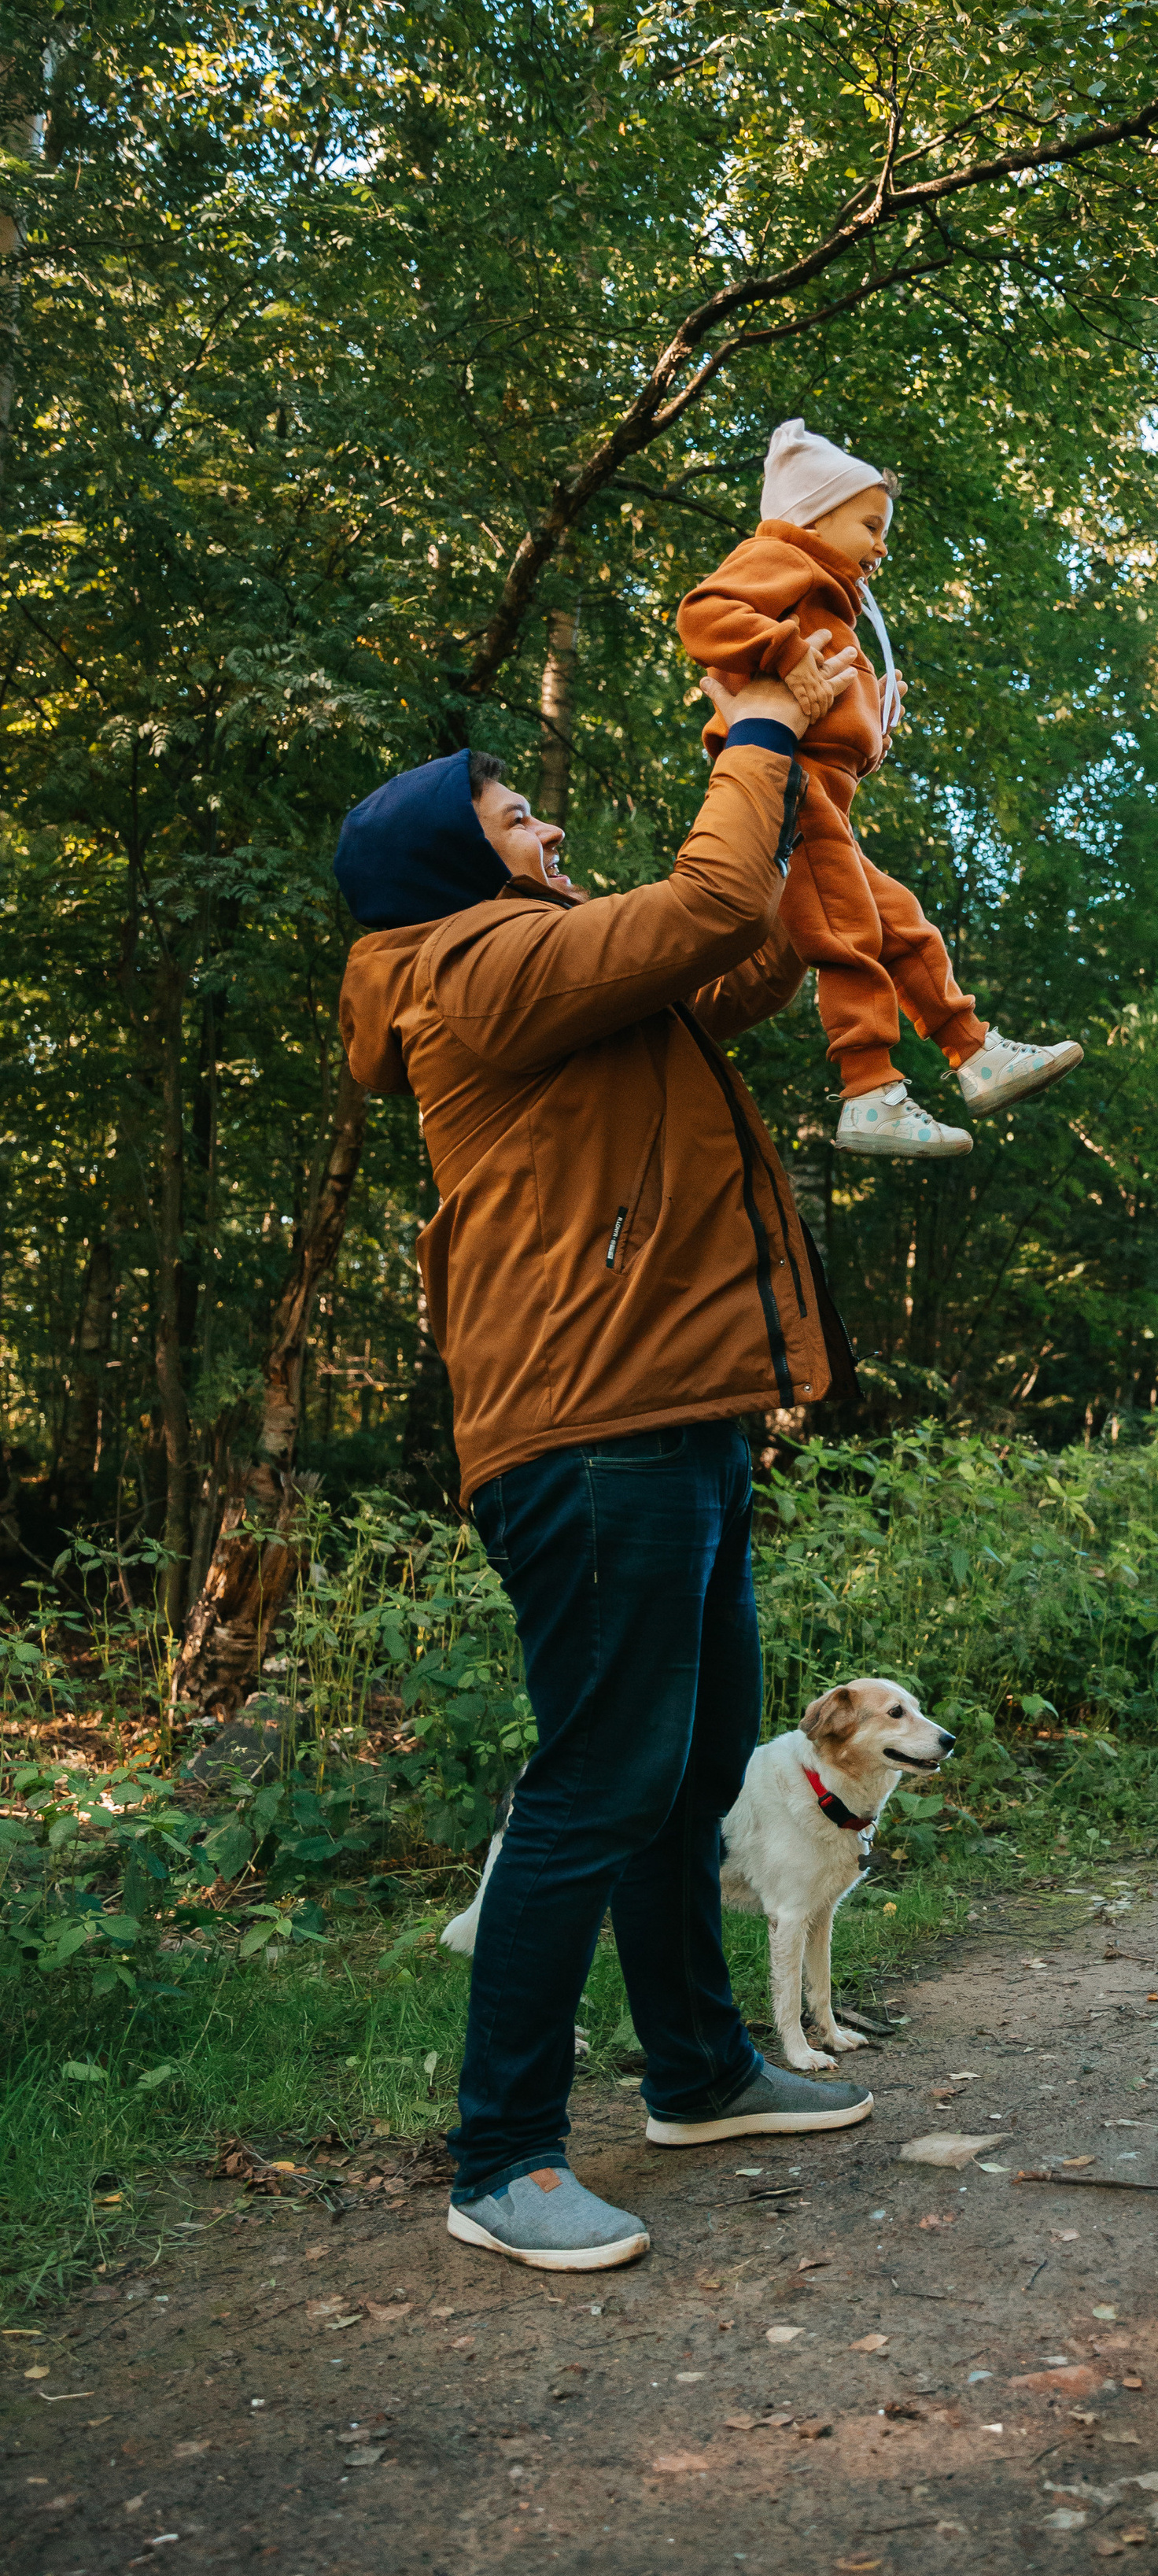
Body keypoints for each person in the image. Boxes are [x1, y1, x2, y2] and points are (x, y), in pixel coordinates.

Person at [334, 653, 876, 2274]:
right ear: (457, 860)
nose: (546, 822)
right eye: (515, 814)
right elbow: (702, 903)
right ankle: (498, 2157)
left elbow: (743, 954)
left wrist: (820, 772)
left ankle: (700, 2075)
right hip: (584, 1428)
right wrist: (755, 727)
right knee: (594, 1780)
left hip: (673, 1411)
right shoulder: (470, 968)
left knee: (692, 1764)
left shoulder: (544, 966)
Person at [676, 418, 1082, 1157]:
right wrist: (781, 650)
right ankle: (869, 1089)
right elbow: (703, 615)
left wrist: (868, 728)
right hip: (786, 789)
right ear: (812, 516)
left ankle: (971, 1049)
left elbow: (827, 703)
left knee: (899, 921)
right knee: (846, 930)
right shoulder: (779, 557)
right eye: (869, 524)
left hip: (823, 789)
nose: (881, 543)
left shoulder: (831, 597)